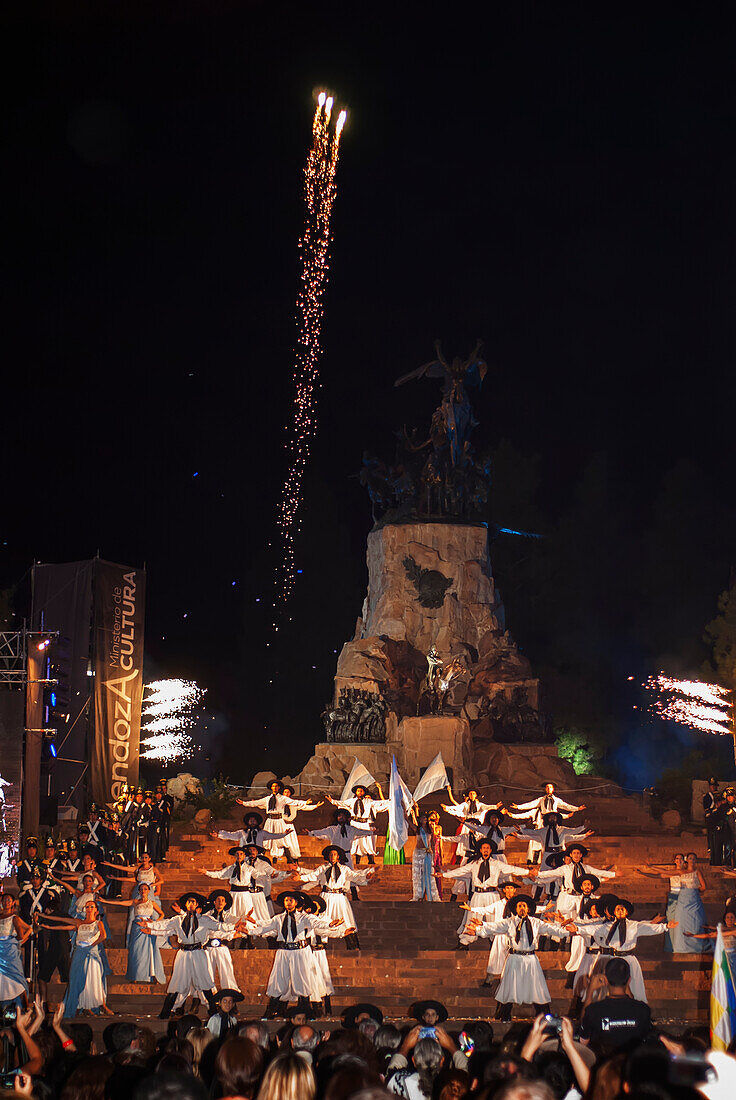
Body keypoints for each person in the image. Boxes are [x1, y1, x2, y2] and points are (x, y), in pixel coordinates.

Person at [239, 889, 347, 1018]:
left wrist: (330, 924)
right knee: (279, 979)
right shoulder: (278, 918)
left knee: (303, 980)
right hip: (284, 952)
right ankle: (270, 1012)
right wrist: (249, 931)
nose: (288, 903)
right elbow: (265, 927)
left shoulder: (304, 917)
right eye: (286, 900)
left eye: (291, 900)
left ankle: (307, 1012)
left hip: (300, 952)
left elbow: (316, 922)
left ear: (296, 902)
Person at [464, 893, 575, 1019]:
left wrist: (569, 932)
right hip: (514, 959)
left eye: (524, 906)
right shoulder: (509, 922)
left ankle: (544, 1016)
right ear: (516, 909)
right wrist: (479, 929)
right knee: (509, 987)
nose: (522, 908)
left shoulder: (536, 923)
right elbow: (494, 927)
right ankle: (503, 1015)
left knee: (537, 987)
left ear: (528, 909)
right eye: (519, 906)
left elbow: (552, 929)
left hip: (531, 959)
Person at [580, 897, 677, 1003]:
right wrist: (577, 929)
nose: (620, 911)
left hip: (629, 959)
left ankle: (637, 1009)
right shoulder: (607, 927)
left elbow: (649, 928)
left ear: (626, 912)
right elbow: (592, 929)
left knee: (634, 986)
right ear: (614, 912)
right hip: (613, 959)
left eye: (622, 909)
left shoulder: (634, 926)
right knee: (609, 987)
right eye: (618, 909)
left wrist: (665, 926)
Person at [139, 891, 220, 1018]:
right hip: (184, 954)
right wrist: (150, 926)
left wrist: (235, 926)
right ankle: (165, 1013)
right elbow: (165, 925)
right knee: (177, 982)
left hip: (198, 953)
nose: (191, 904)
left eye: (193, 901)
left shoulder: (204, 920)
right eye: (189, 902)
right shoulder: (178, 920)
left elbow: (219, 926)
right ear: (186, 905)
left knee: (204, 981)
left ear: (197, 904)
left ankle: (214, 1011)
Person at [443, 841, 537, 944]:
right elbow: (461, 871)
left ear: (491, 850)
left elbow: (512, 869)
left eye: (488, 848)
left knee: (494, 918)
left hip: (492, 893)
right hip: (478, 894)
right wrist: (443, 875)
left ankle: (495, 941)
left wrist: (528, 872)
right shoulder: (474, 864)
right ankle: (465, 942)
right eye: (484, 848)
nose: (486, 850)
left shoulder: (496, 864)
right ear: (480, 850)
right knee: (473, 917)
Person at [36, 899, 113, 1017]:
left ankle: (92, 1006)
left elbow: (103, 936)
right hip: (79, 953)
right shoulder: (79, 922)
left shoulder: (98, 923)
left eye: (92, 907)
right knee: (75, 979)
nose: (89, 909)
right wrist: (44, 918)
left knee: (92, 980)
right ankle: (79, 1006)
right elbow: (61, 921)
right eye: (87, 907)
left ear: (96, 911)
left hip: (91, 954)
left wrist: (91, 945)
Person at [292, 845, 374, 949]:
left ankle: (353, 946)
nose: (332, 856)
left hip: (339, 897)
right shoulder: (323, 868)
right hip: (326, 896)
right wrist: (301, 878)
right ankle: (321, 944)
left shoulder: (344, 869)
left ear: (338, 856)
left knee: (346, 920)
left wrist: (366, 877)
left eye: (335, 854)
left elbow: (355, 876)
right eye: (330, 854)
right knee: (322, 919)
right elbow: (313, 875)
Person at [579, 957, 652, 1055]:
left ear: (606, 979)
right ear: (629, 980)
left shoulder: (594, 1011)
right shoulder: (643, 1010)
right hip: (632, 1066)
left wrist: (590, 992)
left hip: (604, 1066)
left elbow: (583, 1041)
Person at [238, 781, 318, 862]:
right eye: (273, 786)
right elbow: (256, 802)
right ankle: (261, 858)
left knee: (283, 839)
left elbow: (294, 802)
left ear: (279, 788)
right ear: (271, 788)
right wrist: (244, 803)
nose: (275, 788)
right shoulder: (267, 798)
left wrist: (305, 802)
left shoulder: (283, 798)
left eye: (276, 786)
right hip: (270, 821)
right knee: (266, 839)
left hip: (279, 821)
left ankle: (289, 858)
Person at [507, 784, 586, 864]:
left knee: (553, 839)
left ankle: (556, 858)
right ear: (545, 789)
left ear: (553, 789)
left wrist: (577, 809)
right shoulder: (541, 800)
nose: (549, 789)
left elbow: (565, 806)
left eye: (550, 787)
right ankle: (535, 859)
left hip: (554, 822)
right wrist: (518, 807)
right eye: (547, 787)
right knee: (537, 840)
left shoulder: (556, 800)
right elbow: (531, 804)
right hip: (542, 822)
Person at [103, 881, 165, 983]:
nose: (143, 891)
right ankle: (135, 975)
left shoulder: (152, 903)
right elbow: (120, 903)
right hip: (137, 927)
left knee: (150, 950)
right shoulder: (135, 902)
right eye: (141, 889)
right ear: (139, 891)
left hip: (148, 926)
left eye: (145, 889)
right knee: (135, 951)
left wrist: (154, 922)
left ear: (149, 891)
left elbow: (162, 914)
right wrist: (105, 901)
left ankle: (152, 975)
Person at [327, 782, 391, 865]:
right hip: (355, 823)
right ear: (355, 793)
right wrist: (332, 801)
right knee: (356, 842)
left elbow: (379, 803)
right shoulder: (351, 801)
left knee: (367, 842)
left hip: (364, 823)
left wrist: (390, 801)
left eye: (361, 791)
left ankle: (370, 860)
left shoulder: (369, 801)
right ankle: (357, 862)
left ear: (364, 792)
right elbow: (342, 803)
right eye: (358, 791)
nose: (359, 792)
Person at [410, 810, 464, 901]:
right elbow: (410, 822)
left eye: (426, 818)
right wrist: (410, 812)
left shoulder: (431, 829)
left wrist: (434, 855)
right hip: (418, 853)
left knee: (429, 875)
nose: (425, 820)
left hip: (428, 853)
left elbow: (433, 843)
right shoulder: (418, 829)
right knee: (419, 875)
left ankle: (431, 896)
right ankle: (419, 896)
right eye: (423, 818)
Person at [441, 787, 502, 863]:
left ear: (476, 795)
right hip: (468, 824)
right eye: (470, 794)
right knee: (467, 839)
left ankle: (479, 856)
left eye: (473, 793)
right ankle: (466, 857)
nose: (472, 795)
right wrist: (447, 808)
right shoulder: (465, 804)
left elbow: (487, 807)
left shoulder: (479, 805)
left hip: (477, 825)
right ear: (469, 795)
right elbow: (458, 808)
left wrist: (495, 806)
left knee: (478, 839)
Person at [201, 888, 241, 989]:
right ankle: (210, 998)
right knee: (207, 973)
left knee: (226, 972)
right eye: (218, 900)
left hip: (222, 947)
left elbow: (237, 921)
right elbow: (207, 930)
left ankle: (229, 996)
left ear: (225, 903)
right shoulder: (207, 916)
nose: (220, 902)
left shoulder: (228, 916)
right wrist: (226, 933)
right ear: (214, 902)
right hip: (208, 948)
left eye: (223, 900)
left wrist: (243, 920)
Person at [0, 892, 31, 1004]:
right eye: (4, 900)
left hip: (9, 950)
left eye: (9, 900)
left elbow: (24, 932)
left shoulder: (15, 918)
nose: (6, 902)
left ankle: (25, 1004)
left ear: (13, 903)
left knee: (16, 975)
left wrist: (15, 941)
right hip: (0, 950)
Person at [704, 778, 722, 864]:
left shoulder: (719, 795)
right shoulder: (707, 796)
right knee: (710, 832)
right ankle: (710, 847)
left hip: (718, 815)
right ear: (709, 787)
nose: (713, 787)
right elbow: (706, 808)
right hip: (710, 816)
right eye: (712, 786)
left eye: (715, 786)